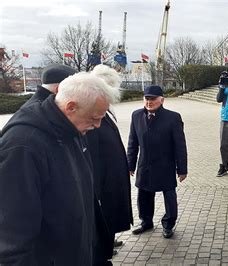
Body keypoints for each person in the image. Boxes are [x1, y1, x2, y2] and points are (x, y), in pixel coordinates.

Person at [0, 72, 120, 265]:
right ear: (71, 107)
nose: (97, 125)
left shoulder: (71, 130)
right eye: (94, 118)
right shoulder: (23, 146)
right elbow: (11, 238)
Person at [127, 85, 187, 238]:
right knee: (144, 195)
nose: (149, 102)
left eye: (153, 99)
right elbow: (132, 143)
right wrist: (130, 165)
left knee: (169, 196)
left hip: (165, 165)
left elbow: (180, 145)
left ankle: (168, 224)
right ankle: (146, 222)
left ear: (162, 100)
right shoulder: (136, 116)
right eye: (147, 98)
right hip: (144, 164)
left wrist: (182, 169)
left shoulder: (173, 118)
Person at [88, 65, 133, 265]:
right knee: (104, 215)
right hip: (104, 179)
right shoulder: (91, 113)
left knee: (112, 213)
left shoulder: (106, 110)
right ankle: (104, 247)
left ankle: (110, 240)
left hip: (113, 175)